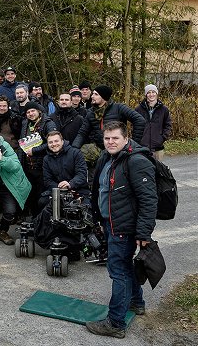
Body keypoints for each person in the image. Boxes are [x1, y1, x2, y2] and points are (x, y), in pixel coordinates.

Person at [86, 121, 157, 339]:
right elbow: (100, 188)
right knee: (125, 266)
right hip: (111, 223)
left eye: (115, 138)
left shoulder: (136, 161)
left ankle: (115, 322)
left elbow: (148, 200)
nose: (110, 142)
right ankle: (137, 302)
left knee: (118, 271)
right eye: (107, 138)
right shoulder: (108, 157)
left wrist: (143, 233)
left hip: (124, 227)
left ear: (126, 138)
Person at [72, 85, 146, 149]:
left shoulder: (119, 108)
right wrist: (74, 149)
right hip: (99, 149)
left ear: (104, 97)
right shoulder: (91, 112)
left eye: (96, 94)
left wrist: (133, 144)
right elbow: (82, 132)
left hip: (118, 148)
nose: (92, 96)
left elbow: (140, 120)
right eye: (93, 94)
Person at [20, 101, 57, 217]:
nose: (31, 114)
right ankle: (34, 219)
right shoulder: (25, 123)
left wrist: (35, 150)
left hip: (42, 166)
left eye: (32, 111)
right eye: (28, 112)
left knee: (42, 196)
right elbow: (22, 141)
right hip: (28, 166)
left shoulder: (48, 123)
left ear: (38, 111)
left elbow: (52, 143)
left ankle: (43, 219)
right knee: (31, 195)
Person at [41, 131, 90, 205]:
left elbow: (82, 174)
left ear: (62, 141)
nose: (54, 144)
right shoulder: (46, 159)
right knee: (42, 202)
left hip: (79, 190)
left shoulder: (75, 153)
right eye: (50, 142)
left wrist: (70, 184)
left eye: (56, 141)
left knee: (86, 207)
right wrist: (60, 187)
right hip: (57, 191)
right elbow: (47, 180)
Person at [134, 84, 171, 161]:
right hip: (142, 147)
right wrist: (138, 140)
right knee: (143, 170)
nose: (151, 94)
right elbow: (134, 126)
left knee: (158, 170)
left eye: (153, 92)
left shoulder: (164, 109)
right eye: (149, 92)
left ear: (156, 93)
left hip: (158, 147)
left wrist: (162, 138)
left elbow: (168, 125)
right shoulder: (138, 109)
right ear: (146, 94)